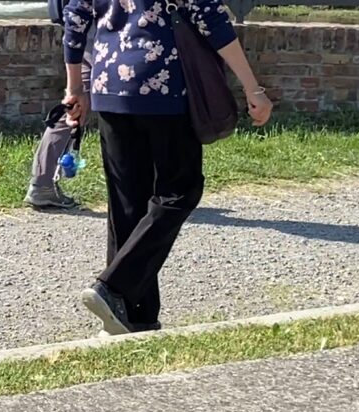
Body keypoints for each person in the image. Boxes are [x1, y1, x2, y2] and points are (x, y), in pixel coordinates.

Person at [61, 0, 273, 335]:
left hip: (109, 86)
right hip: (164, 87)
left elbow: (74, 19)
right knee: (180, 190)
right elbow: (210, 18)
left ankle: (136, 317)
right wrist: (253, 88)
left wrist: (75, 88)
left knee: (127, 204)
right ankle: (114, 287)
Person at [23, 0, 95, 210]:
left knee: (74, 106)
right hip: (97, 27)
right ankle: (42, 183)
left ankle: (42, 182)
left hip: (82, 25)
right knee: (75, 106)